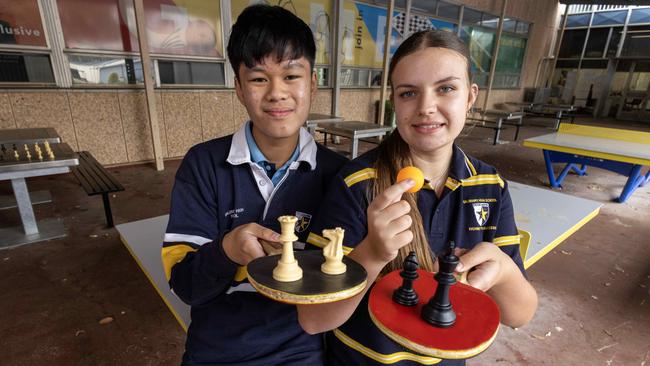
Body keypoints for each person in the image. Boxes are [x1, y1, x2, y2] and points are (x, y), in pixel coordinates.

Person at [298, 29, 538, 365]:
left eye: (446, 88)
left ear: (470, 97)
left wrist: (503, 271)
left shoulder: (489, 185)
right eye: (409, 93)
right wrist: (373, 254)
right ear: (393, 101)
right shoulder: (355, 183)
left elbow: (519, 315)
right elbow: (313, 319)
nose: (426, 107)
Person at [161, 5, 347, 365]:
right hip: (216, 348)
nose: (277, 93)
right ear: (239, 89)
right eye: (259, 79)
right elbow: (185, 286)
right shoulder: (203, 165)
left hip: (302, 347)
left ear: (313, 83)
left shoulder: (339, 174)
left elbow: (338, 288)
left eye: (291, 76)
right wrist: (228, 250)